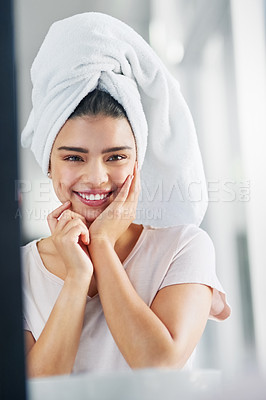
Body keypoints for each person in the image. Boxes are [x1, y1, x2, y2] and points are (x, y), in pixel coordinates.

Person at [21, 13, 231, 377]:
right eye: (74, 157)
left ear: (139, 160)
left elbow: (159, 364)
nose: (97, 178)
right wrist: (76, 278)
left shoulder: (183, 248)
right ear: (49, 164)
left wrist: (101, 244)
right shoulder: (18, 270)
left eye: (116, 156)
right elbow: (32, 388)